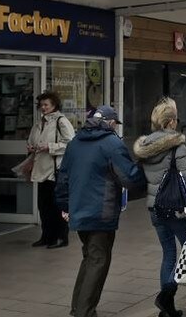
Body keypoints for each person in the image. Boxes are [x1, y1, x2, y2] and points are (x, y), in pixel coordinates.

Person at [55, 106, 145, 317]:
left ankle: (78, 307)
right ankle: (84, 312)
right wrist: (143, 165)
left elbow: (63, 178)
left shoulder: (75, 142)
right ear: (110, 122)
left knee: (89, 258)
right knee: (98, 261)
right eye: (115, 123)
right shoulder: (112, 144)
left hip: (78, 212)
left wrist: (64, 206)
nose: (115, 126)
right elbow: (130, 179)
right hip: (100, 213)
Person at [133, 97, 186, 316]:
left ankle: (168, 308)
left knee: (168, 253)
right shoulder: (177, 144)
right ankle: (166, 296)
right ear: (171, 122)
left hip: (155, 208)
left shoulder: (146, 146)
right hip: (175, 208)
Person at [28, 91, 76, 249]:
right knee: (44, 206)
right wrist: (31, 146)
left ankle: (62, 237)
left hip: (56, 170)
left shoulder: (61, 121)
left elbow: (71, 143)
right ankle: (47, 236)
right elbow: (33, 140)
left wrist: (51, 147)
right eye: (41, 105)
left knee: (58, 205)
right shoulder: (39, 122)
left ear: (54, 105)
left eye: (46, 105)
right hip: (41, 169)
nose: (43, 107)